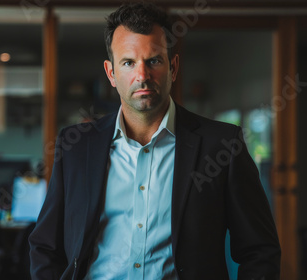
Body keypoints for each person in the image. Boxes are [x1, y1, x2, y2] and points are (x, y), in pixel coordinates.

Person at [28, 2, 281, 280]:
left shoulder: (222, 145)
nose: (142, 76)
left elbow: (260, 251)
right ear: (111, 73)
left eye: (154, 61)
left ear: (172, 67)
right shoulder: (75, 146)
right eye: (128, 63)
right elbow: (45, 246)